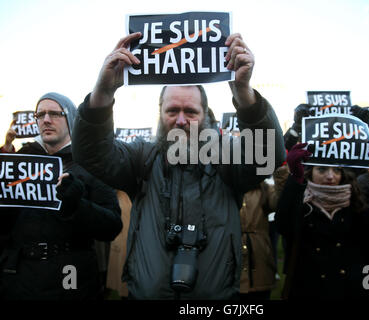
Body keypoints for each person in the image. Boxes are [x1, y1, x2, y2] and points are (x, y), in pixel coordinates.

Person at [71, 32, 285, 300]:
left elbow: (269, 155)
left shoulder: (227, 157)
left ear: (205, 115)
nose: (181, 120)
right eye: (172, 111)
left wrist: (244, 92)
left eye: (191, 112)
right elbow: (91, 153)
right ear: (160, 113)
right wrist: (103, 91)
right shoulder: (142, 158)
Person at [0, 92, 122, 300]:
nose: (46, 120)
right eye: (40, 114)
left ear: (71, 118)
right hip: (20, 277)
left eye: (55, 113)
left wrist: (78, 205)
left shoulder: (91, 165)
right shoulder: (18, 163)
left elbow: (111, 226)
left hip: (71, 276)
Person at [275, 140, 369, 300]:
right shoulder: (301, 204)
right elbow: (283, 225)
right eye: (322, 169)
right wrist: (294, 178)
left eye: (337, 170)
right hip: (310, 290)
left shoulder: (356, 204)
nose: (330, 176)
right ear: (310, 172)